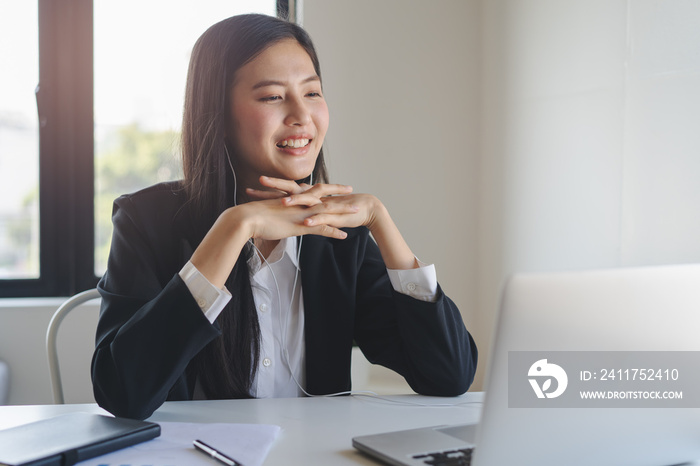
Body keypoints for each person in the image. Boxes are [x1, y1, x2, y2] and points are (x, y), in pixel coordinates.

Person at [91, 13, 477, 420]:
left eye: (312, 93)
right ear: (218, 114)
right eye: (273, 96)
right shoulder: (145, 221)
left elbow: (450, 375)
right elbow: (122, 393)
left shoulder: (337, 234)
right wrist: (236, 227)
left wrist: (381, 221)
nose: (301, 115)